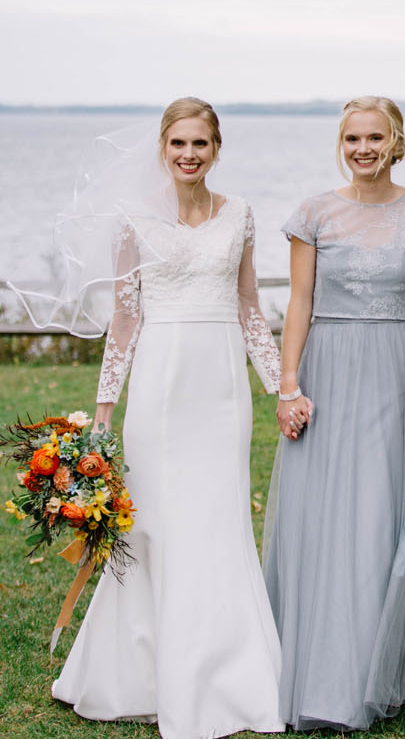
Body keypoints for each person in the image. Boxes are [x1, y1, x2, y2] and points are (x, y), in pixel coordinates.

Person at [49, 97, 285, 738]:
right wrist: (103, 412)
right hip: (159, 384)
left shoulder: (239, 214)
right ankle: (141, 672)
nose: (188, 155)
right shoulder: (135, 221)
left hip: (220, 386)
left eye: (200, 145)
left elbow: (248, 307)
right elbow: (125, 319)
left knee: (217, 518)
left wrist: (280, 387)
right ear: (163, 148)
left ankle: (225, 673)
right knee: (154, 520)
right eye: (178, 144)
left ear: (216, 149)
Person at [263, 95, 405, 731]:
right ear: (340, 144)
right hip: (330, 366)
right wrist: (288, 386)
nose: (363, 148)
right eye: (352, 138)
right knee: (323, 517)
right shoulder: (313, 213)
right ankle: (314, 670)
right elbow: (299, 303)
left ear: (396, 140)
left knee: (381, 516)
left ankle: (378, 670)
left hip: (401, 374)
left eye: (375, 137)